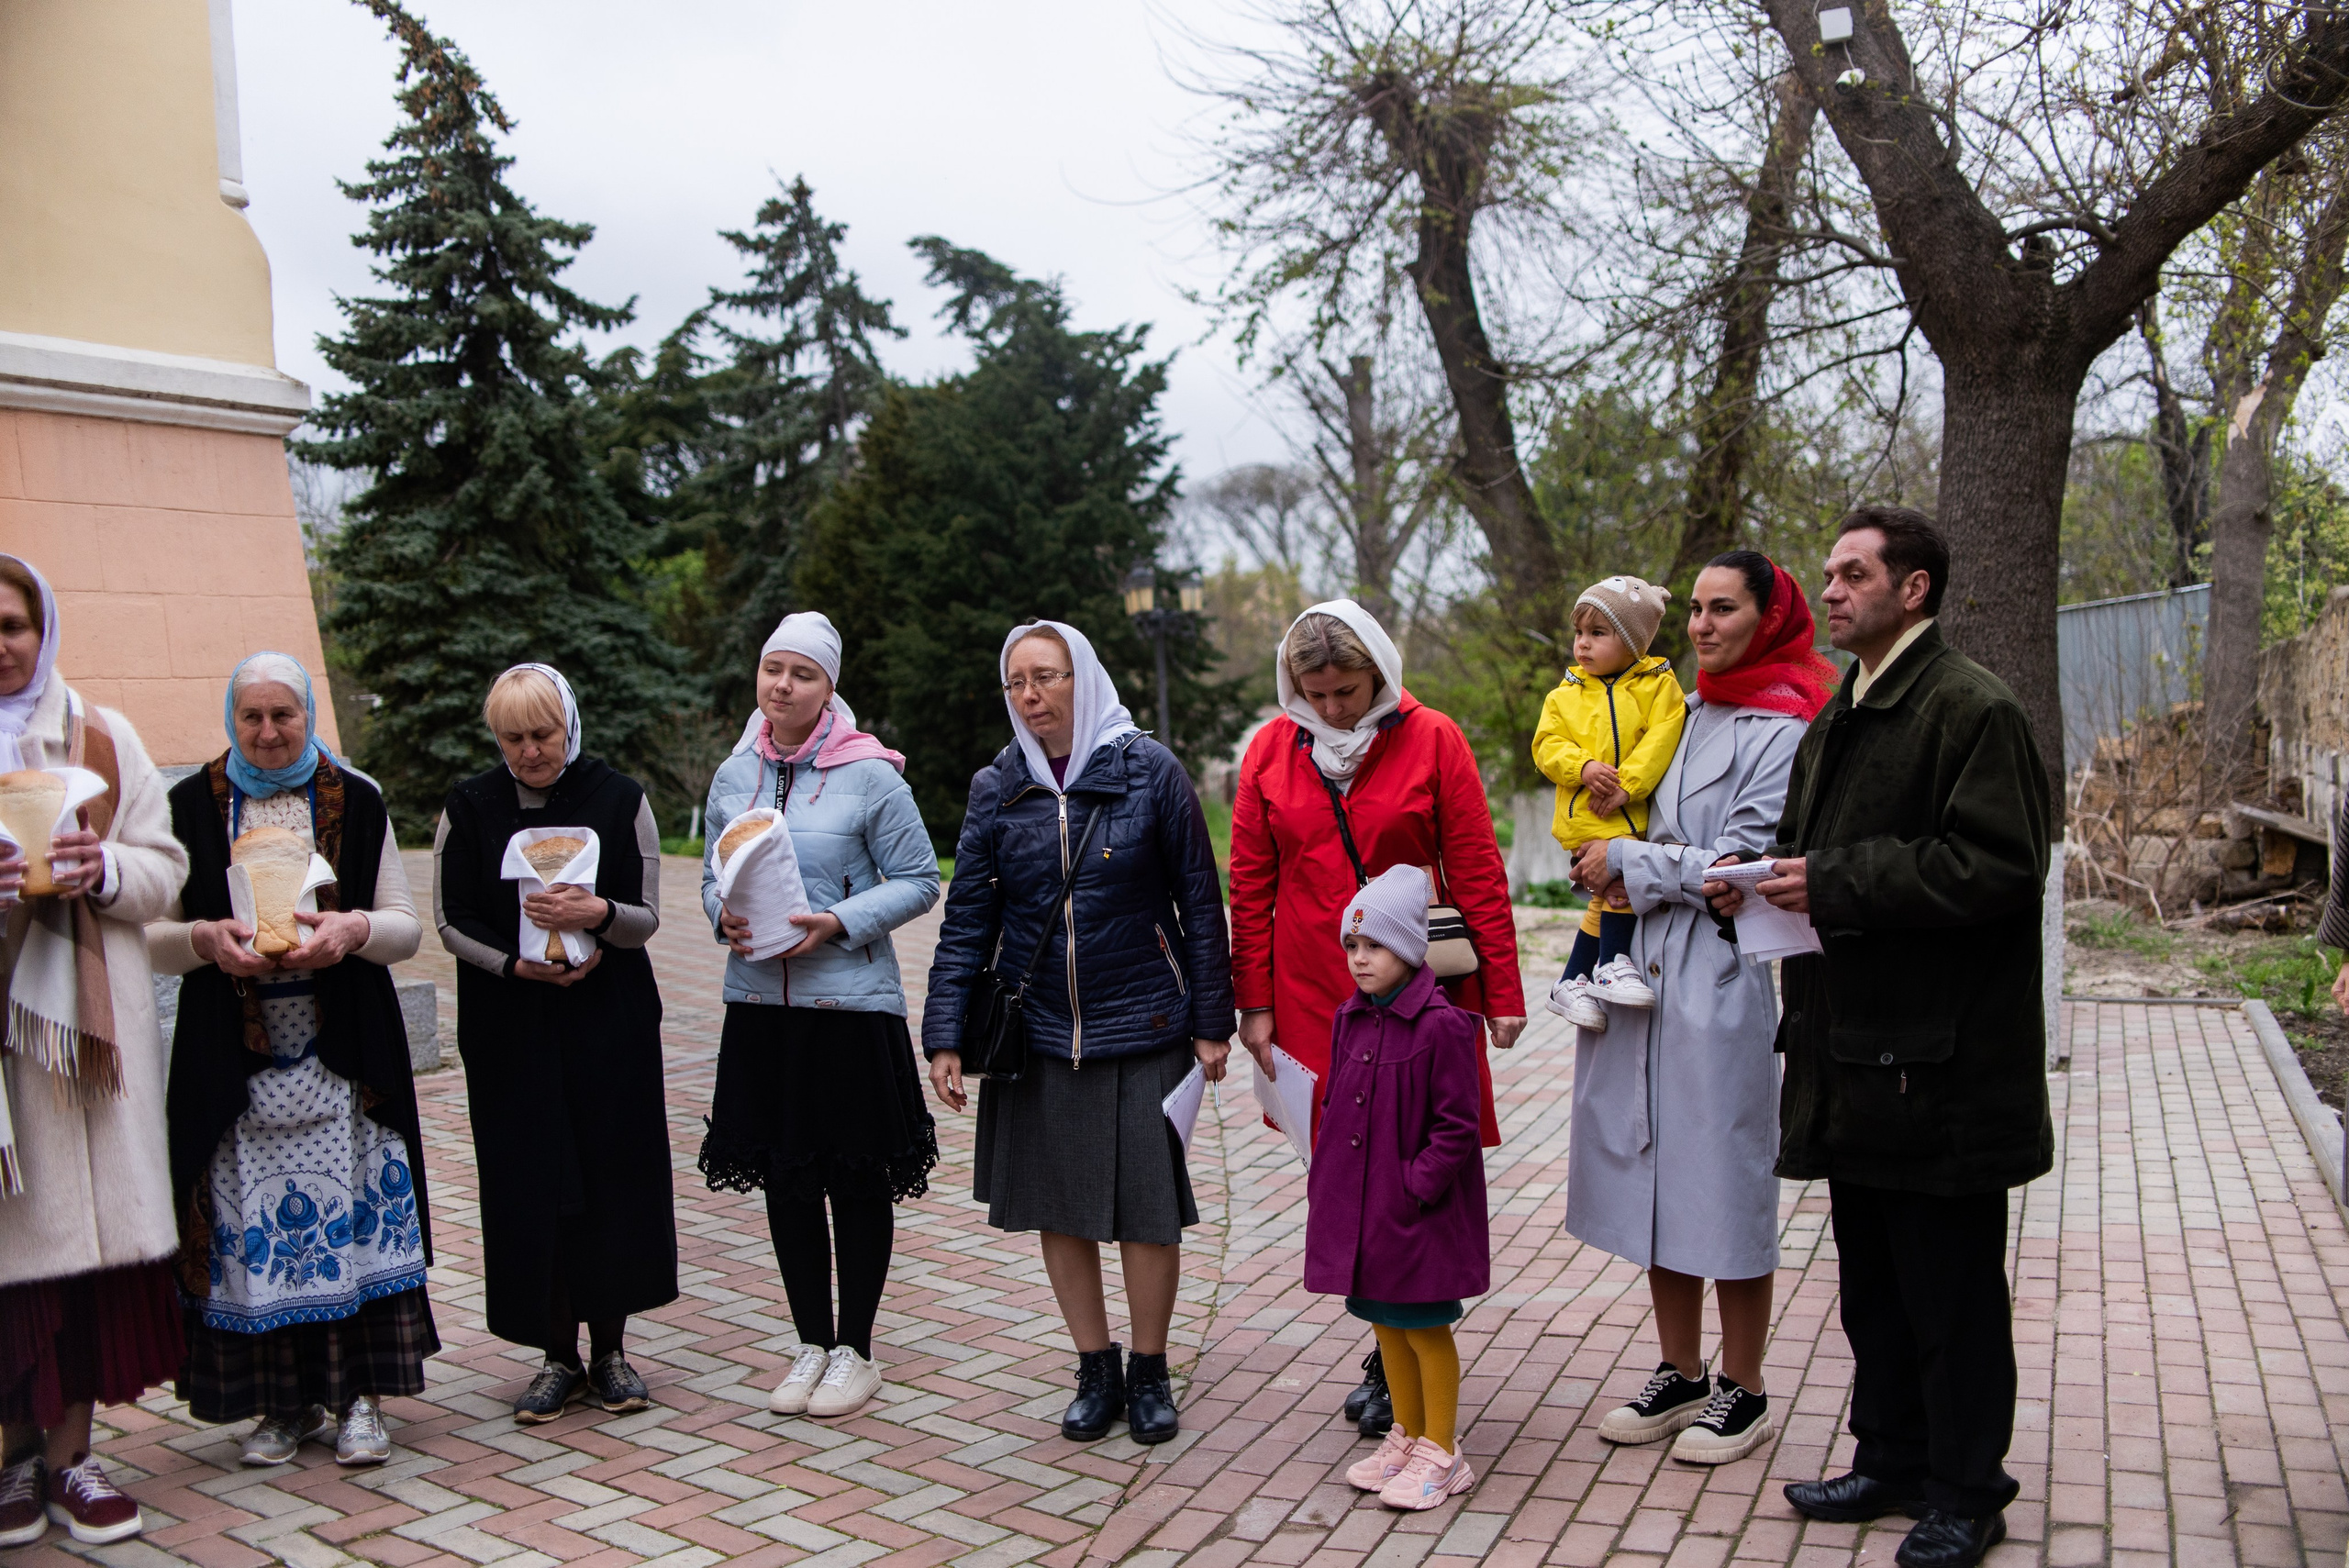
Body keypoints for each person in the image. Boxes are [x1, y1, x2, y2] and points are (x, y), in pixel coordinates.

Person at [1720, 508, 2052, 1568]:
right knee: (1872, 1287)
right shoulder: (1842, 708)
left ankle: (1966, 1489)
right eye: (1828, 573)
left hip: (1940, 1067)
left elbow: (2000, 868)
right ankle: (1892, 1458)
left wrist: (1831, 880)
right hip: (1849, 1055)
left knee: (1950, 1295)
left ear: (1914, 588)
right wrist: (1758, 883)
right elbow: (1806, 848)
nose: (1830, 589)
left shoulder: (1970, 708)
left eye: (1853, 573)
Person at [924, 619, 1234, 1446]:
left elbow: (1200, 903)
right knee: (1058, 1208)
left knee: (1147, 1209)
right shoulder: (998, 785)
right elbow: (968, 917)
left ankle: (1150, 1369)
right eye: (1017, 682)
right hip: (1038, 1032)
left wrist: (1213, 1021)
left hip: (1146, 1022)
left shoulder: (1149, 769)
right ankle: (1095, 1367)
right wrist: (945, 1032)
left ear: (1083, 677)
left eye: (1047, 676)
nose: (1031, 695)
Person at [1564, 550, 1834, 1467]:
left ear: (1768, 618)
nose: (1702, 625)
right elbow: (1646, 827)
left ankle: (1743, 1385)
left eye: (1724, 609)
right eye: (1694, 608)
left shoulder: (1784, 726)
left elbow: (1742, 863)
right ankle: (1679, 1371)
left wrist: (1628, 863)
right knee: (1652, 1166)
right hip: (1638, 966)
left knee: (1722, 1174)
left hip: (1721, 971)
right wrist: (1606, 853)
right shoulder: (1679, 709)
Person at [1227, 599, 1523, 1434]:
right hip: (1314, 995)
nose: (1332, 709)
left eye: (1347, 692)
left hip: (1414, 998)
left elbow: (1475, 865)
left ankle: (1405, 1350)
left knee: (1413, 1167)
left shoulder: (1434, 739)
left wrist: (1501, 991)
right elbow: (1249, 883)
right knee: (1346, 1174)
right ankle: (1385, 1346)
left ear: (1380, 674)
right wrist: (1254, 1003)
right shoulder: (1270, 752)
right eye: (1315, 694)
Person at [158, 653, 433, 1469]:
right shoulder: (189, 807)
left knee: (353, 1220)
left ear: (310, 714)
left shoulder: (359, 797)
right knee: (254, 1228)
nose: (270, 731)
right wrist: (204, 939)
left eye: (285, 714)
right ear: (231, 718)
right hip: (234, 1054)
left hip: (346, 1049)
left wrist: (353, 930)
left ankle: (360, 1398)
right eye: (253, 716)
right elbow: (150, 938)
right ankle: (282, 1404)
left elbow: (405, 926)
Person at [698, 613, 941, 1419]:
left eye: (802, 673)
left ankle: (855, 1351)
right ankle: (810, 1341)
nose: (783, 685)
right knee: (787, 1177)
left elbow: (919, 878)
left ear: (829, 686)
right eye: (773, 668)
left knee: (856, 1178)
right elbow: (712, 877)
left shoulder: (871, 775)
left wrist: (838, 921)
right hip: (761, 1006)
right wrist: (722, 917)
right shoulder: (734, 775)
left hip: (849, 1007)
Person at [0, 555, 190, 1549]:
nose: (1, 644)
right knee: (10, 1257)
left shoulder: (105, 737)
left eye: (12, 624)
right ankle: (11, 1459)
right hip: (5, 1044)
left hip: (88, 1051)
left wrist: (102, 865)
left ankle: (72, 1456)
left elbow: (167, 872)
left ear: (43, 630)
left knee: (81, 1263)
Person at [433, 665, 678, 1423]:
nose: (530, 751)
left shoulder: (620, 797)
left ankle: (611, 1352)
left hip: (608, 1022)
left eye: (542, 734)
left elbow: (646, 913)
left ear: (569, 725)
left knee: (611, 1177)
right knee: (530, 1182)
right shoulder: (470, 805)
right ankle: (554, 1356)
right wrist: (516, 964)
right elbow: (450, 918)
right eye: (513, 738)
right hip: (513, 1026)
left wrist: (596, 913)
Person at [1308, 866, 1488, 1512]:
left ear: (1410, 949)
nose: (1360, 959)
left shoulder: (1443, 1025)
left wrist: (1417, 1186)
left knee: (1424, 1326)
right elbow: (1338, 1106)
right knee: (1384, 1322)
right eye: (1352, 946)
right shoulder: (1350, 1017)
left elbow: (1457, 1124)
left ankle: (1443, 1449)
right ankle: (1408, 1436)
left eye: (1375, 946)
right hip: (1366, 1207)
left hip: (1418, 1212)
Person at [1531, 573, 1685, 1030]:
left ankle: (1572, 979)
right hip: (1588, 815)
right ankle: (1613, 961)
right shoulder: (1564, 695)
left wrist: (1628, 785)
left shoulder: (1660, 687)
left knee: (1609, 895)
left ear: (1634, 642)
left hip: (1630, 810)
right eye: (1579, 632)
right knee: (1620, 886)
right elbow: (1546, 745)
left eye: (1598, 633)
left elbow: (1662, 738)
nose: (1583, 643)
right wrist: (1581, 767)